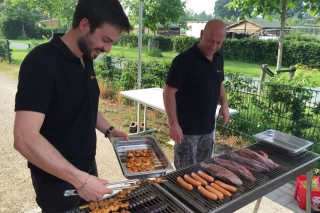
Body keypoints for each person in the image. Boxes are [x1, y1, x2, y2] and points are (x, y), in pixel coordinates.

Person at [13, 0, 132, 212]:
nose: (108, 48)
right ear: (84, 25)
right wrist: (81, 181)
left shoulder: (85, 57)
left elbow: (84, 105)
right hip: (56, 178)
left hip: (86, 168)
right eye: (105, 40)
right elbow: (24, 138)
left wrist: (110, 130)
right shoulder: (40, 63)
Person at [163, 19, 230, 170]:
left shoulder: (219, 59)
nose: (213, 47)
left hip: (208, 129)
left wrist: (224, 105)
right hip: (186, 132)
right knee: (184, 174)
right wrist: (173, 124)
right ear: (201, 35)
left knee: (205, 171)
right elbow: (168, 93)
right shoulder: (184, 60)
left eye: (219, 43)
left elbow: (219, 83)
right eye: (210, 41)